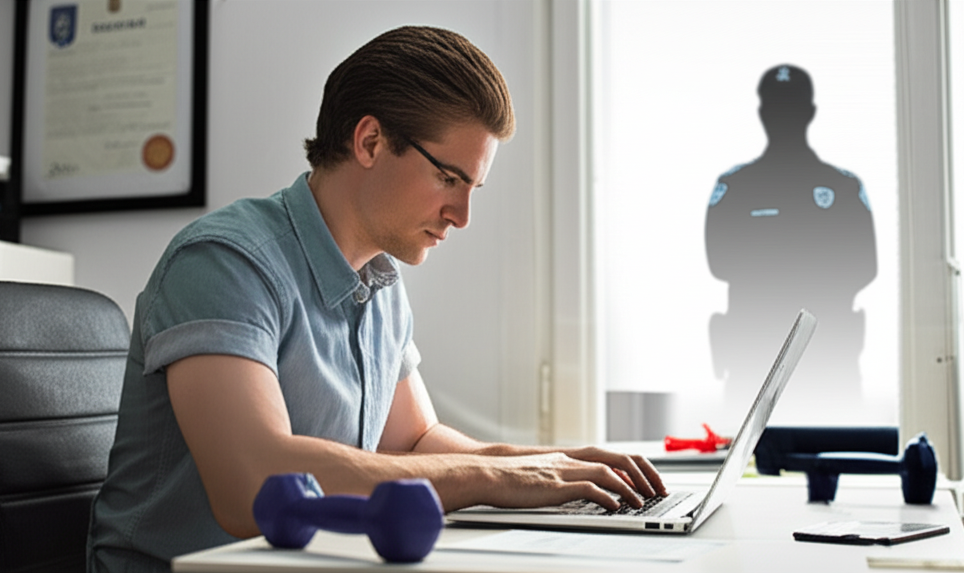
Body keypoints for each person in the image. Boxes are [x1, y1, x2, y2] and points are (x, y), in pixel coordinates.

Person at [87, 25, 666, 572]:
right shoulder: (224, 262)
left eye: (473, 188)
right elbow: (253, 486)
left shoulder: (381, 283)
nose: (462, 216)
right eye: (449, 178)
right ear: (370, 141)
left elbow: (415, 442)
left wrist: (546, 465)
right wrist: (492, 479)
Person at [704, 64, 877, 416]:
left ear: (809, 113)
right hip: (753, 364)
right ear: (763, 113)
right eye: (776, 107)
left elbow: (865, 266)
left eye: (792, 107)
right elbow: (719, 261)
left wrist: (770, 261)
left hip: (829, 361)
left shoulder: (842, 187)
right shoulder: (737, 186)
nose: (783, 117)